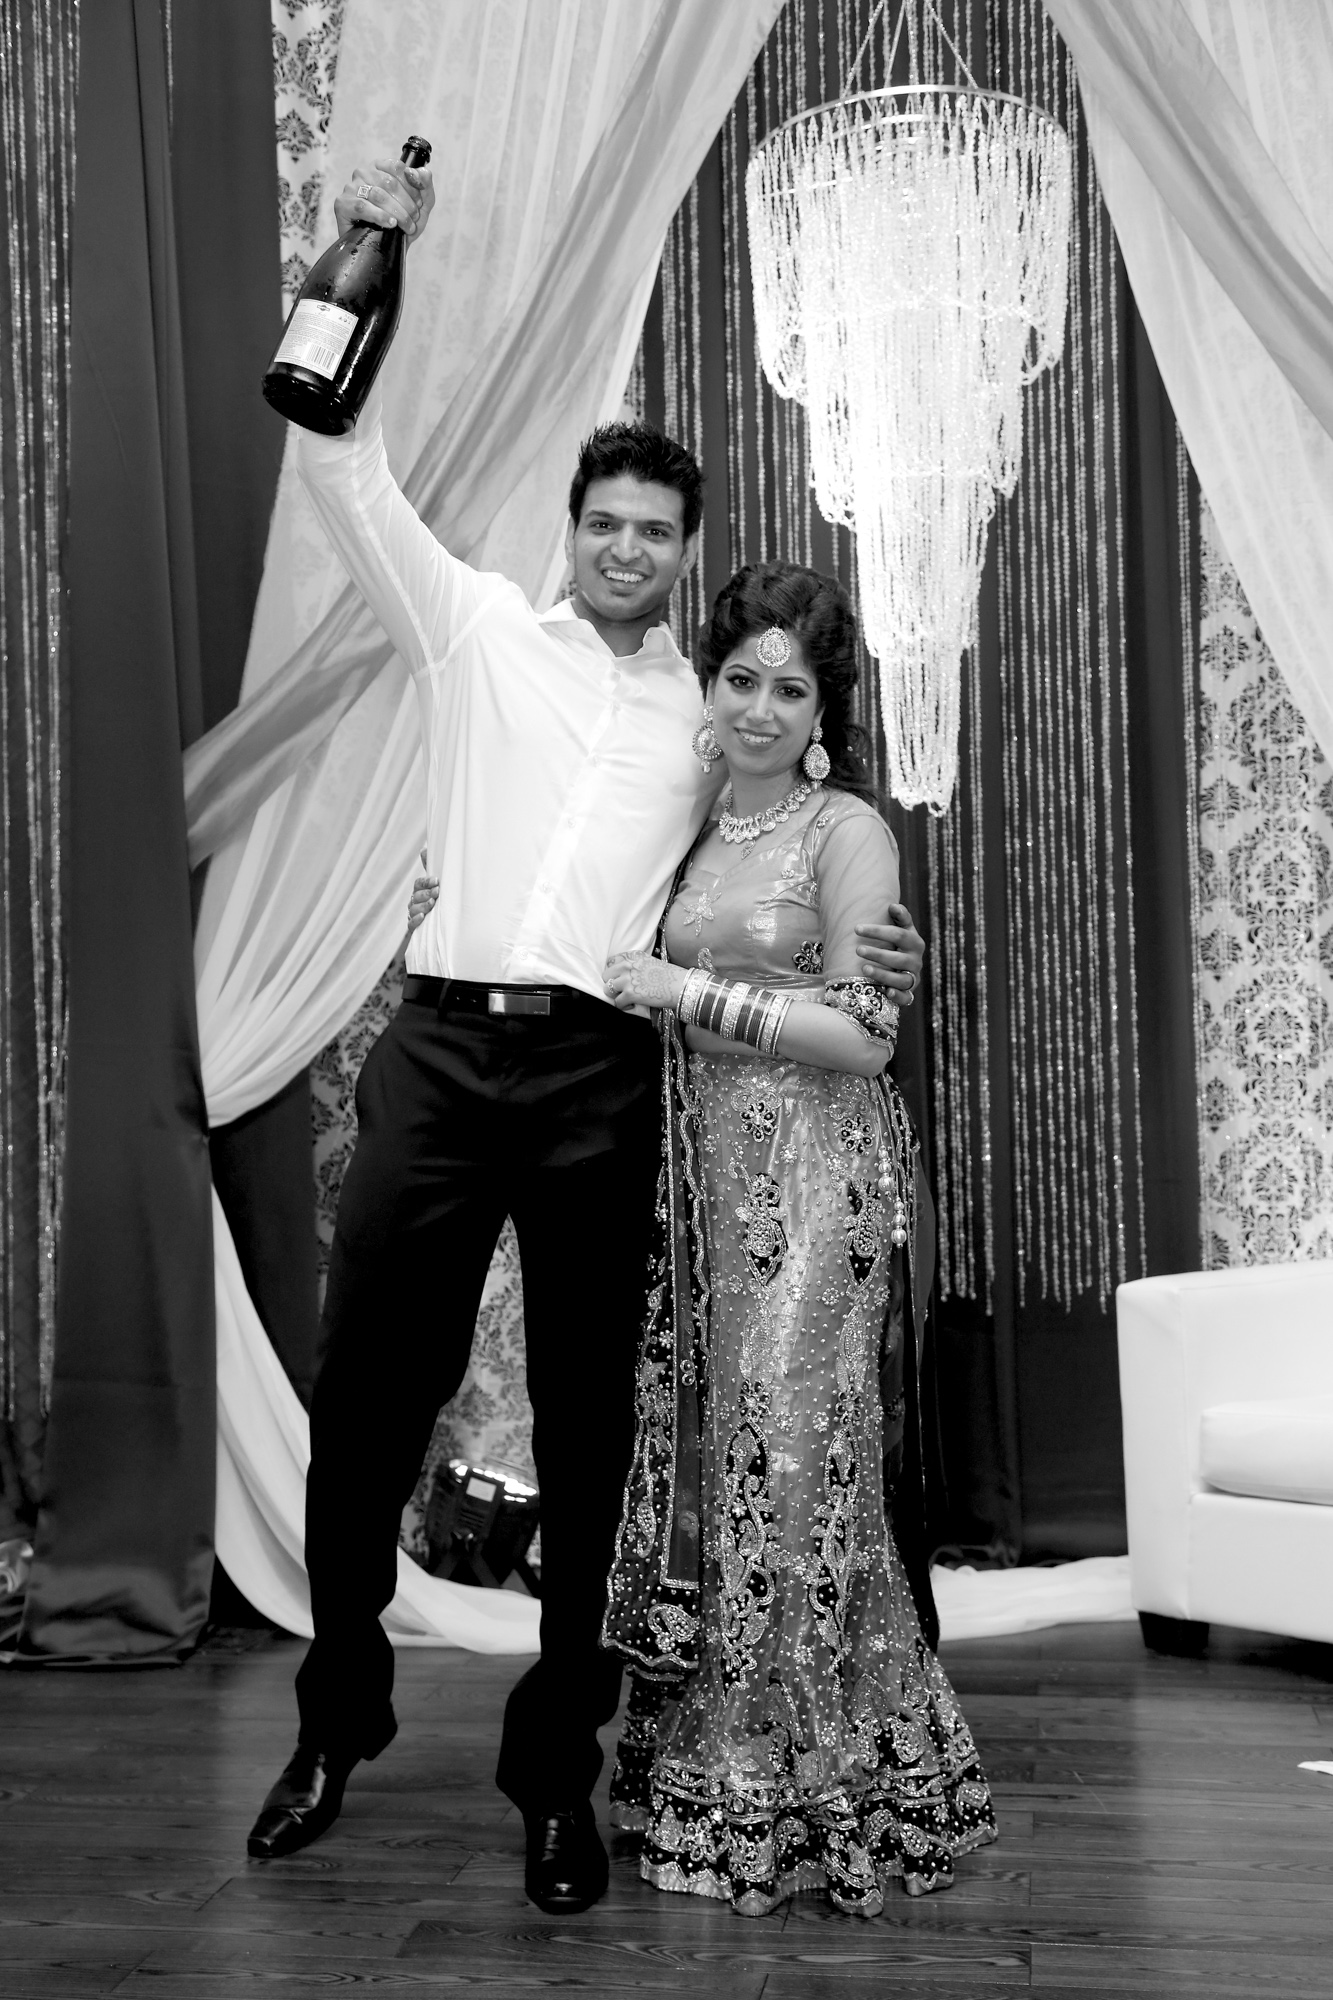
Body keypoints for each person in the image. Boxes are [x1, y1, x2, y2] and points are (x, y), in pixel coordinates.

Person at [245, 154, 926, 1916]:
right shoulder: (471, 628)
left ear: (683, 554)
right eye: (604, 523)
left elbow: (781, 854)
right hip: (435, 1059)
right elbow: (337, 459)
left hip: (599, 1080)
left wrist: (867, 928)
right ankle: (332, 1723)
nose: (627, 550)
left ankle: (557, 1774)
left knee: (592, 1433)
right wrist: (373, 247)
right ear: (571, 528)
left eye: (654, 533)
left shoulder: (709, 719)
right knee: (365, 1405)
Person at [596, 560, 997, 1917]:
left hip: (818, 1179)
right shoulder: (688, 826)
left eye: (791, 689)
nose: (760, 709)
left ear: (824, 713)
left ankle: (812, 1784)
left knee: (790, 1463)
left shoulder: (847, 830)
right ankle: (716, 1775)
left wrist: (690, 990)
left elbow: (865, 1036)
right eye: (740, 681)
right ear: (707, 690)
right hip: (701, 1188)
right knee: (720, 1465)